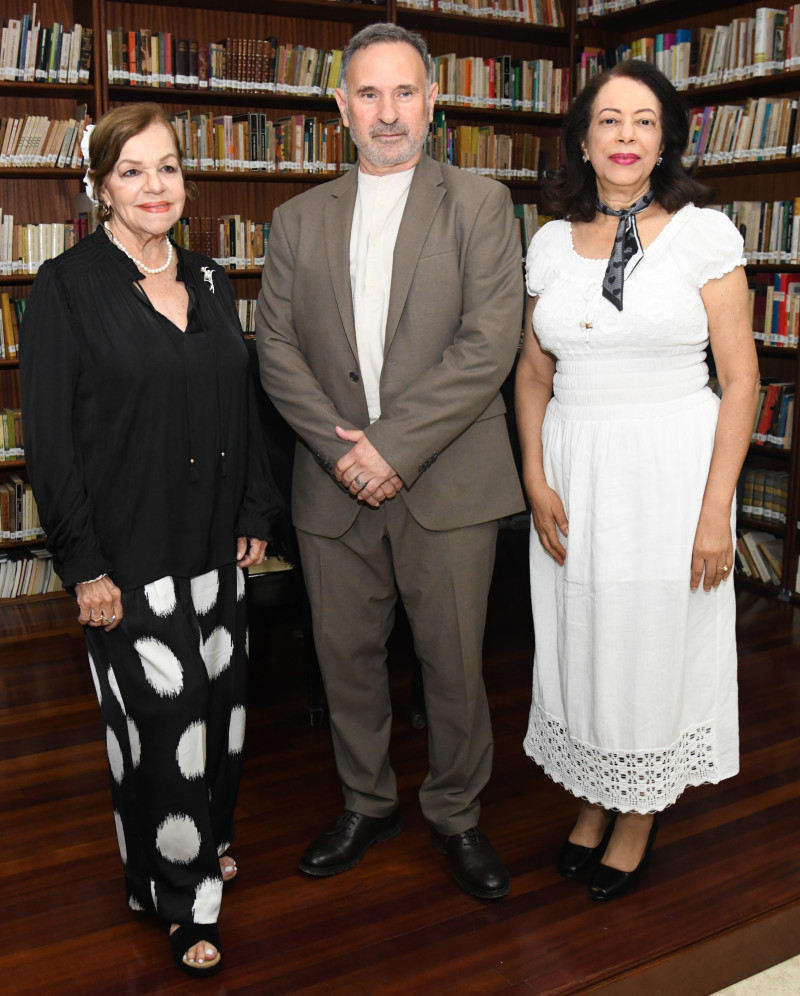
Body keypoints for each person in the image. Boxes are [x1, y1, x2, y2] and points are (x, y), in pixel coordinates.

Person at [255, 22, 524, 900]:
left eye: (405, 92)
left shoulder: (480, 204)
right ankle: (366, 802)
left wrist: (392, 448)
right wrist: (349, 457)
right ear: (339, 108)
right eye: (368, 94)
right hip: (332, 485)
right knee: (345, 661)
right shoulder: (296, 219)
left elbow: (489, 345)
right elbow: (275, 350)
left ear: (434, 102)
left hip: (446, 480)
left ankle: (457, 813)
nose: (387, 112)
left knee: (452, 663)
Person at [20, 103, 282, 975]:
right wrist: (81, 561)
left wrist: (254, 511)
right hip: (130, 560)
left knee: (220, 717)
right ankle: (182, 896)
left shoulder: (210, 279)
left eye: (167, 167)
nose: (154, 186)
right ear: (99, 188)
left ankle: (201, 842)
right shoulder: (65, 287)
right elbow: (50, 438)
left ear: (187, 180)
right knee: (162, 727)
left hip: (214, 548)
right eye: (131, 170)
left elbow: (242, 407)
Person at [516, 59, 760, 903]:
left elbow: (742, 381)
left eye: (644, 121)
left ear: (666, 140)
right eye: (609, 120)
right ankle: (593, 791)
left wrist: (715, 512)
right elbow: (531, 375)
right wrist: (534, 476)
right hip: (576, 467)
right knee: (583, 632)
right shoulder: (548, 242)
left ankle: (638, 810)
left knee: (651, 635)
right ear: (582, 139)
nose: (626, 137)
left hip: (669, 469)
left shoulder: (705, 234)